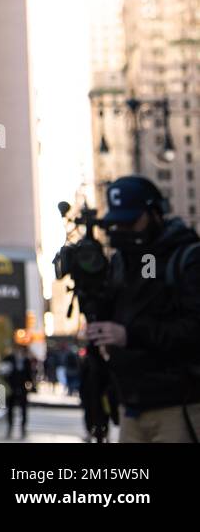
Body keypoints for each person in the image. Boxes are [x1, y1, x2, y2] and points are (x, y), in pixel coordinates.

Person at [84, 175, 200, 443]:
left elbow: (193, 330)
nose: (124, 230)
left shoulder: (186, 258)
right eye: (118, 223)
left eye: (131, 221)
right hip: (131, 408)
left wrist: (129, 334)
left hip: (177, 407)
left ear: (154, 213)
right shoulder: (122, 262)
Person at [0, 344, 35, 439]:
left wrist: (32, 386)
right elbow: (3, 372)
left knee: (23, 408)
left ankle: (23, 428)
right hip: (11, 387)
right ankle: (10, 427)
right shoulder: (9, 359)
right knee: (10, 408)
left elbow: (29, 374)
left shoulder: (26, 360)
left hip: (22, 387)